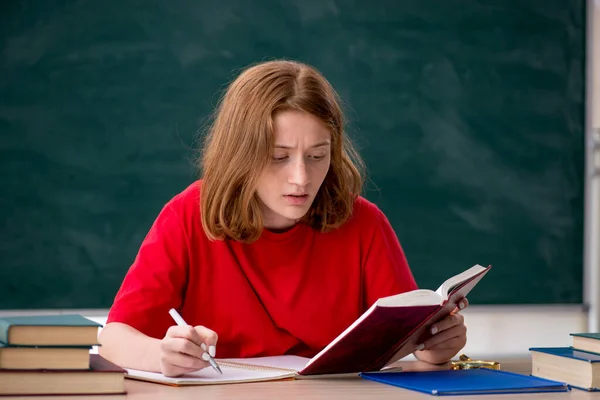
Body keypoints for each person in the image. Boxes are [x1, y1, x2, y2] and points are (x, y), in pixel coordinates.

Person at [98, 60, 468, 377]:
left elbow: (403, 340)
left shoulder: (364, 223)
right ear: (241, 153)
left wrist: (432, 347)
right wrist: (160, 356)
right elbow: (114, 338)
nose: (301, 178)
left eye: (317, 155)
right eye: (279, 157)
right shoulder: (187, 214)